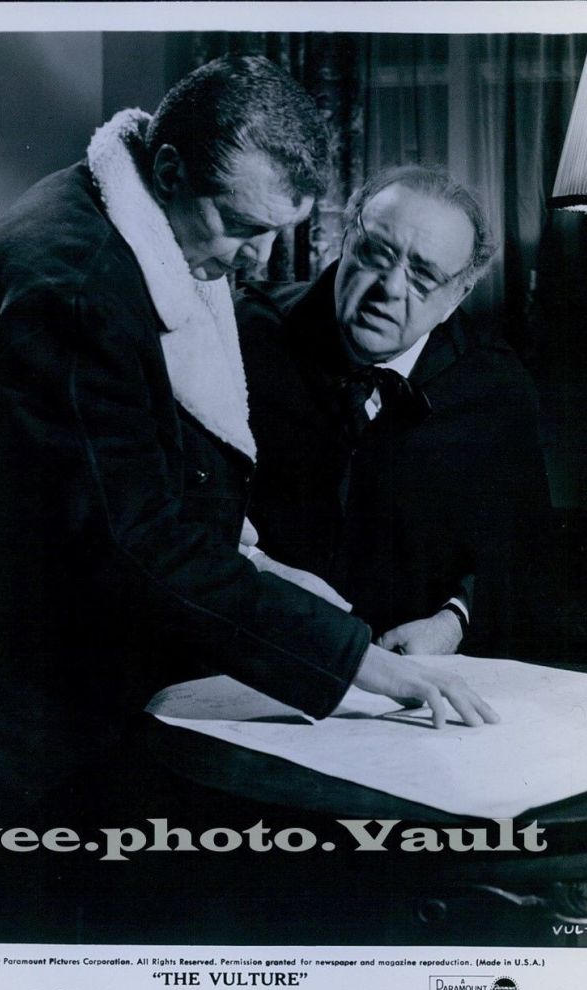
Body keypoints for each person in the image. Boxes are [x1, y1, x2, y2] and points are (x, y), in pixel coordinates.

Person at [0, 63, 499, 866]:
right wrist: (355, 662)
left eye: (277, 231)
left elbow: (132, 479)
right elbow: (134, 542)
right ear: (167, 171)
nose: (257, 259)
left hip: (33, 700)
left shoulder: (131, 225)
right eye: (239, 225)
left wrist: (260, 567)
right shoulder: (75, 285)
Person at [236, 164, 551, 659]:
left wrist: (453, 621)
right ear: (345, 242)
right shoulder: (242, 335)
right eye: (376, 253)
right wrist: (255, 568)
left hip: (413, 679)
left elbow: (519, 553)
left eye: (424, 276)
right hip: (247, 648)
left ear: (457, 296)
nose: (391, 288)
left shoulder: (496, 388)